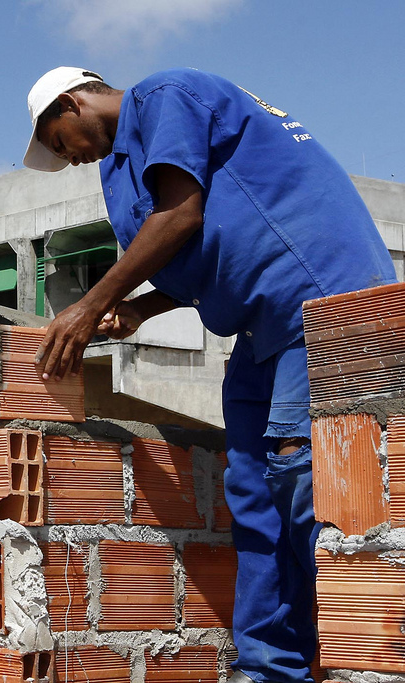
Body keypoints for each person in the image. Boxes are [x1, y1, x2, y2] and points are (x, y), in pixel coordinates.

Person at [22, 66, 396, 683]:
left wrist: (89, 306)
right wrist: (139, 307)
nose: (73, 160)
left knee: (305, 480)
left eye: (64, 144)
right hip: (258, 328)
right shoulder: (123, 167)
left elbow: (182, 216)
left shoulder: (166, 97)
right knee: (252, 492)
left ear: (72, 102)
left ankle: (370, 647)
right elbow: (202, 255)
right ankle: (270, 669)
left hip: (322, 302)